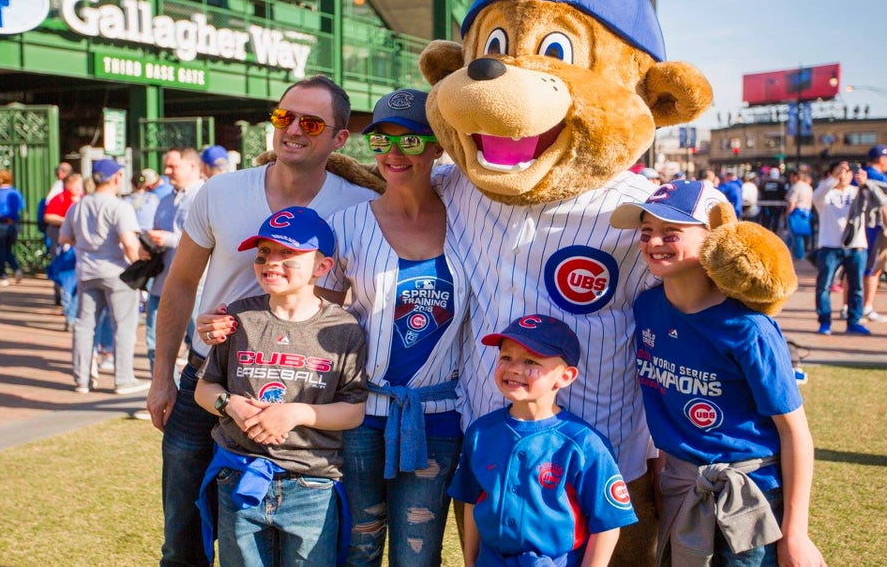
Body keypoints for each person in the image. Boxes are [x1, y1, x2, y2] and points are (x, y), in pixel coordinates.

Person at [146, 74, 377, 567]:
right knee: (182, 529)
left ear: (339, 138)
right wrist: (161, 375)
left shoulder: (356, 205)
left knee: (283, 536)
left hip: (302, 391)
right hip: (207, 377)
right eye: (283, 116)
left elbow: (343, 300)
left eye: (311, 121)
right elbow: (182, 283)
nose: (293, 128)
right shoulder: (221, 191)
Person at [610, 179, 826, 566]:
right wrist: (665, 476)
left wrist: (796, 534)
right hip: (680, 487)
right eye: (646, 232)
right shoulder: (645, 308)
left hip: (751, 498)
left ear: (715, 235)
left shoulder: (748, 328)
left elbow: (795, 433)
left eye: (670, 232)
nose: (653, 242)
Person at [324, 89, 469, 565]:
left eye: (410, 142)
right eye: (382, 141)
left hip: (440, 415)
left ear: (437, 147)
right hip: (362, 413)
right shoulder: (346, 223)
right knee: (359, 546)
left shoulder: (472, 220)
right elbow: (314, 312)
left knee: (418, 554)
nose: (393, 154)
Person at [193, 206, 367, 566]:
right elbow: (204, 389)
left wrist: (297, 413)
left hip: (311, 487)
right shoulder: (239, 317)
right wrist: (231, 405)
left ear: (322, 267)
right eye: (264, 253)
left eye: (288, 253)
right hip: (240, 479)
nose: (272, 262)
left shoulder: (344, 329)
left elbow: (353, 411)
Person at [448, 314, 637, 566]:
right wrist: (471, 561)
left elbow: (607, 523)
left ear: (566, 376)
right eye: (506, 357)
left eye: (531, 361)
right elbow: (471, 501)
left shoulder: (584, 443)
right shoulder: (481, 433)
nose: (514, 368)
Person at [59, 158, 149, 394]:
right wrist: (141, 263)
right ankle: (123, 379)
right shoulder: (120, 206)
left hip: (87, 271)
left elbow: (64, 238)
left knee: (84, 325)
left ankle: (82, 379)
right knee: (124, 325)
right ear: (116, 178)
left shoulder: (77, 206)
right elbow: (129, 242)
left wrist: (87, 243)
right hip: (117, 272)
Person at [145, 148, 205, 373]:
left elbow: (208, 238)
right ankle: (162, 396)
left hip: (193, 286)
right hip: (161, 282)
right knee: (156, 343)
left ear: (192, 166)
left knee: (199, 347)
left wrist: (168, 239)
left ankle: (191, 401)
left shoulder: (204, 196)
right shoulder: (164, 199)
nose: (166, 171)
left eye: (173, 166)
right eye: (166, 166)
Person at [813, 161, 884, 336]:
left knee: (856, 286)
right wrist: (834, 176)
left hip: (856, 246)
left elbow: (882, 200)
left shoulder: (858, 192)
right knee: (824, 286)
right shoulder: (825, 194)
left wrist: (866, 183)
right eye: (841, 171)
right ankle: (824, 322)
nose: (844, 175)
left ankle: (854, 321)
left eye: (847, 171)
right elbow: (817, 196)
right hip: (829, 246)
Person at [43, 172, 85, 330]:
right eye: (76, 185)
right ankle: (69, 314)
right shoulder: (60, 198)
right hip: (67, 245)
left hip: (81, 246)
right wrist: (66, 221)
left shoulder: (85, 199)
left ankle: (73, 314)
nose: (79, 188)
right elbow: (48, 216)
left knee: (78, 283)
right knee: (68, 280)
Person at [861, 145, 887, 321]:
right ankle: (866, 307)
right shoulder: (880, 178)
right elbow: (884, 207)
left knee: (856, 269)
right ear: (881, 159)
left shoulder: (859, 175)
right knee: (872, 270)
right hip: (875, 227)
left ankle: (850, 306)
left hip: (858, 229)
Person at [785, 169, 813, 261]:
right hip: (806, 213)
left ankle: (798, 255)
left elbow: (791, 202)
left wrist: (787, 213)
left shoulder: (795, 187)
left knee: (795, 236)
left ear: (796, 177)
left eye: (791, 176)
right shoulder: (808, 187)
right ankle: (788, 253)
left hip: (796, 213)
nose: (790, 178)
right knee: (798, 235)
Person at [759, 167, 788, 233]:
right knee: (776, 220)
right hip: (777, 206)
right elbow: (783, 194)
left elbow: (763, 193)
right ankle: (774, 233)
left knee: (767, 220)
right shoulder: (780, 184)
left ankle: (767, 232)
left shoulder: (765, 184)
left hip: (767, 206)